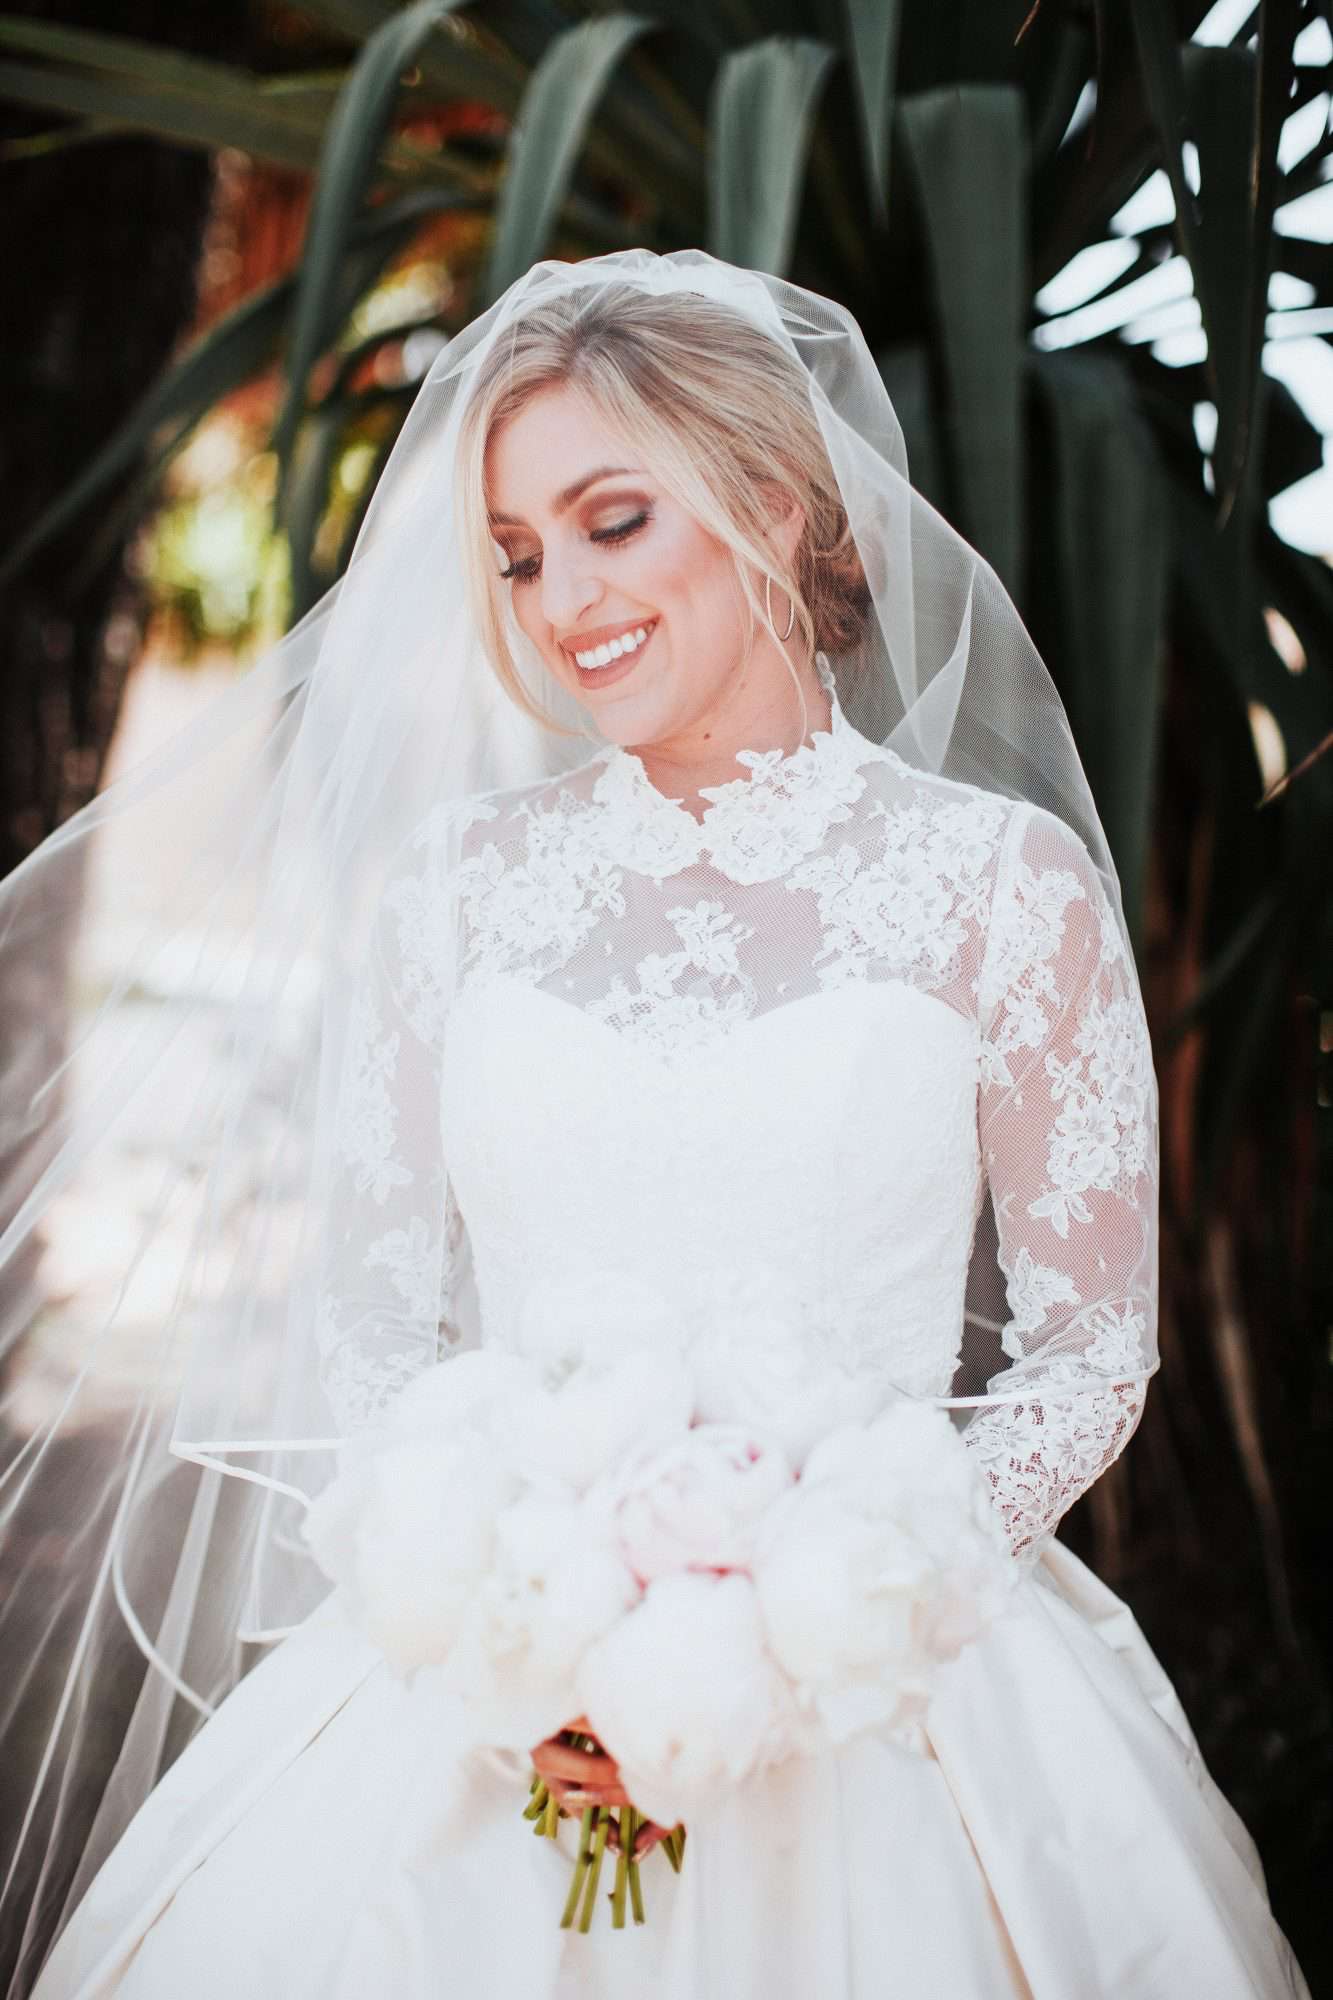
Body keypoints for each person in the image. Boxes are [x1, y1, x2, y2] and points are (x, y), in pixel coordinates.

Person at [0, 250, 1309, 1997]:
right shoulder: (455, 893)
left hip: (886, 1699)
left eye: (613, 520)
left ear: (774, 506)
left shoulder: (1000, 887)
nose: (561, 600)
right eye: (517, 554)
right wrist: (512, 1615)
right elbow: (376, 1320)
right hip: (493, 1693)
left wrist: (818, 1607)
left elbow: (1084, 1355)